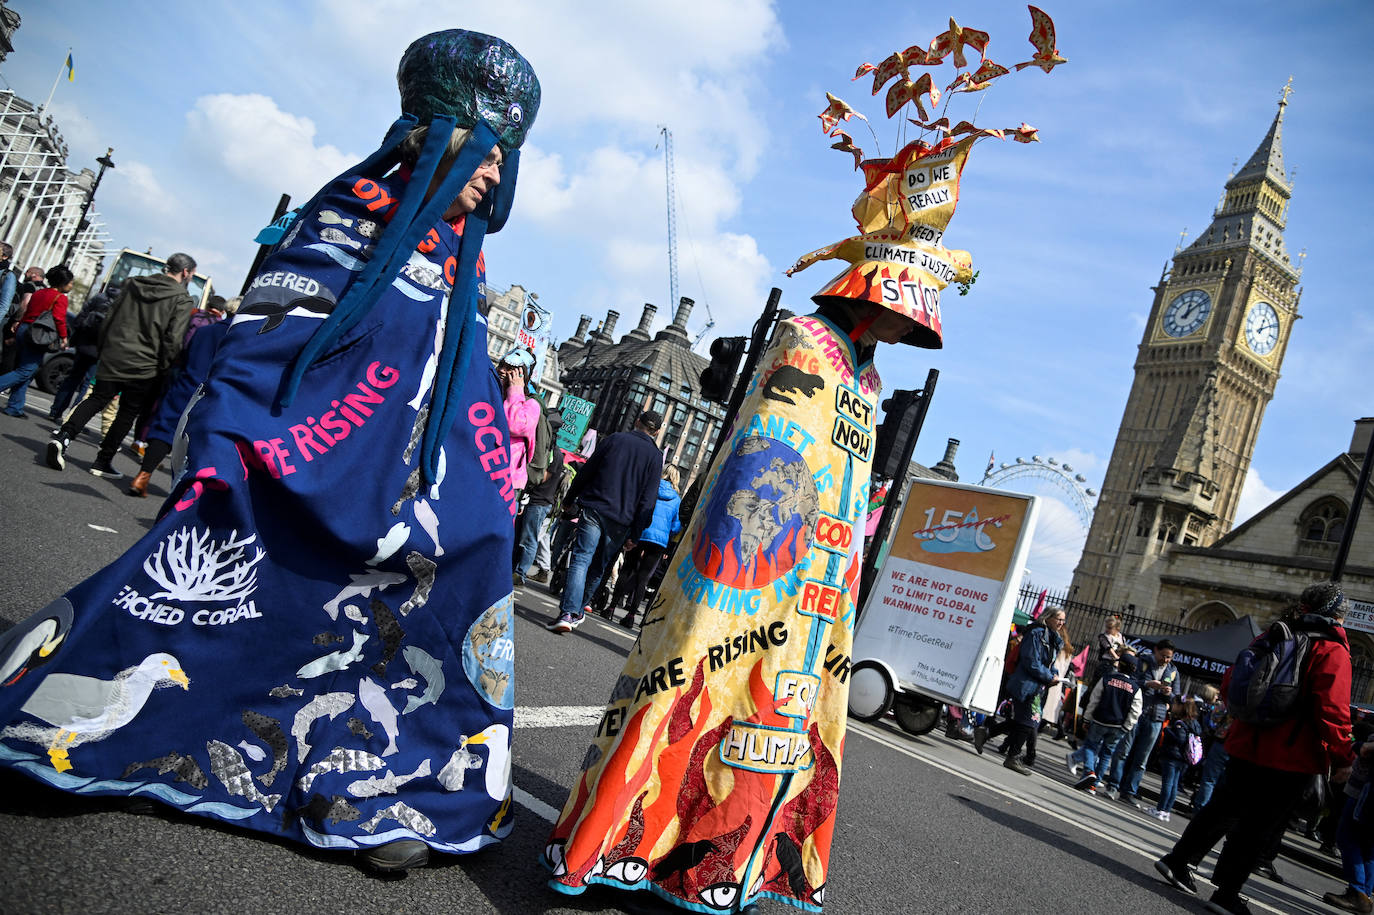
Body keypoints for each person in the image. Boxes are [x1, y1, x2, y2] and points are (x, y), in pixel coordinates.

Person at [0, 29, 540, 875]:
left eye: (509, 159)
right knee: (200, 589)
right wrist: (218, 442)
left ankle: (383, 787)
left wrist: (484, 496)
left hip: (404, 494)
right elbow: (261, 340)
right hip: (307, 465)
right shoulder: (348, 215)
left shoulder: (464, 269)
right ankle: (81, 729)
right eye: (490, 150)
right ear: (439, 134)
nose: (499, 173)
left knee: (470, 569)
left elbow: (460, 397)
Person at [1155, 582, 1355, 915]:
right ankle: (1226, 893)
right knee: (1257, 826)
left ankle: (1178, 860)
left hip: (1246, 742)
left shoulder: (1272, 636)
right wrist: (1342, 757)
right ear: (1337, 616)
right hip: (1290, 755)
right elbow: (1332, 710)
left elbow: (1232, 683)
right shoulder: (1331, 649)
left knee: (1222, 808)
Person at [44, 255, 197, 477]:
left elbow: (110, 317)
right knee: (127, 411)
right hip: (147, 362)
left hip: (115, 351)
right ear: (185, 272)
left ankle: (63, 436)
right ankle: (102, 461)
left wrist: (105, 346)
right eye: (191, 274)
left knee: (97, 398)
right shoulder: (182, 299)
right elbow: (173, 338)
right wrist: (163, 366)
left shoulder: (133, 284)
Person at [545, 408, 663, 633]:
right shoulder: (655, 457)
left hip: (596, 507)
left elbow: (587, 471)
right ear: (656, 432)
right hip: (622, 519)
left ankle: (567, 613)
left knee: (581, 559)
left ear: (637, 421)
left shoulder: (615, 439)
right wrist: (636, 533)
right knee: (599, 566)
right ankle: (577, 611)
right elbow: (648, 499)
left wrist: (570, 499)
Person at [124, 303, 233, 497]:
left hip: (185, 383)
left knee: (165, 430)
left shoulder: (205, 331)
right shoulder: (236, 339)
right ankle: (184, 493)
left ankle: (143, 474)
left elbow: (185, 353)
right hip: (212, 392)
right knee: (201, 442)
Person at [976, 608, 1071, 775]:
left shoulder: (1052, 637)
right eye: (1058, 618)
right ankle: (1012, 757)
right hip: (1027, 683)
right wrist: (1049, 676)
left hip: (1037, 684)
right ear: (1048, 617)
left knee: (1022, 721)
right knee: (1030, 721)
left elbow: (1048, 662)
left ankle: (987, 734)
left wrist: (1054, 674)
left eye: (1063, 620)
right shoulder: (1037, 634)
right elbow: (1031, 661)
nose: (1061, 623)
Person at [603, 464, 682, 629]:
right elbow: (676, 526)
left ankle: (611, 608)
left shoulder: (651, 489)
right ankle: (631, 616)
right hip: (659, 541)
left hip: (641, 533)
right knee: (643, 578)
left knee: (627, 570)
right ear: (676, 479)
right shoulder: (676, 499)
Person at [1103, 638, 1178, 803]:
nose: (1165, 660)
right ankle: (1113, 785)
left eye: (1169, 657)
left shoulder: (1173, 671)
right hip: (1137, 712)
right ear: (1156, 650)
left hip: (1156, 717)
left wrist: (1168, 694)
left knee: (1142, 759)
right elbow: (1129, 681)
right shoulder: (1142, 662)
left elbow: (1176, 698)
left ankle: (1129, 791)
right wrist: (1147, 684)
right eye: (1163, 655)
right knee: (1123, 751)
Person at [0, 265, 73, 417]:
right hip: (38, 335)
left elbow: (26, 311)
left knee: (26, 370)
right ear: (62, 283)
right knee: (25, 371)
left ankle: (15, 406)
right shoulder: (60, 298)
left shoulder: (39, 293)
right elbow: (59, 319)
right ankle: (14, 404)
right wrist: (64, 337)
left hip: (24, 329)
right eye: (70, 282)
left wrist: (17, 329)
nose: (71, 286)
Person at [1068, 651, 1142, 794]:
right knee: (1106, 754)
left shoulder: (1106, 679)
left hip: (1099, 720)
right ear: (1134, 669)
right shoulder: (1136, 689)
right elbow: (1135, 712)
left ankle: (1089, 772)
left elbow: (1094, 700)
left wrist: (1086, 718)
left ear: (1119, 665)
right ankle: (1093, 785)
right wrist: (1126, 727)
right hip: (1118, 726)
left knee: (1090, 746)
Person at [50, 283, 120, 423]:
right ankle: (73, 418)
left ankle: (56, 411)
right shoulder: (122, 304)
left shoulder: (99, 297)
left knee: (72, 378)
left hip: (84, 343)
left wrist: (79, 336)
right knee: (87, 384)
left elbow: (80, 317)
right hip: (101, 348)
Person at [1326, 723, 1374, 913]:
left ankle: (1357, 891)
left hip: (1365, 790)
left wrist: (1361, 745)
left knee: (1347, 836)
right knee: (1367, 846)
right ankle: (1363, 894)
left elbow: (1365, 749)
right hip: (1365, 787)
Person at [514, 409, 564, 584]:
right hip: (531, 500)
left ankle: (520, 574)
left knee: (529, 539)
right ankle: (515, 569)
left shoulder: (555, 454)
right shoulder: (546, 449)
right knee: (521, 536)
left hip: (539, 503)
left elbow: (542, 478)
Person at [496, 346, 543, 498]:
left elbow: (514, 425)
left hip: (508, 481)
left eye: (510, 368)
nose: (503, 370)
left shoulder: (531, 406)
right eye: (501, 365)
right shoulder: (491, 395)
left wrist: (516, 391)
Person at [1149, 698, 1202, 822]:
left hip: (1173, 756)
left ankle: (1160, 809)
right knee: (1174, 785)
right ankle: (1166, 811)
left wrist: (1167, 730)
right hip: (1185, 758)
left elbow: (1180, 739)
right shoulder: (1195, 724)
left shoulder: (1180, 723)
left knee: (1168, 783)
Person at [0, 265, 44, 374]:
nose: (25, 274)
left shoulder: (30, 285)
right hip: (36, 327)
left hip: (23, 323)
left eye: (28, 272)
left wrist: (17, 320)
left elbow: (25, 303)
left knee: (9, 351)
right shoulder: (45, 289)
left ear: (34, 275)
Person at [1087, 615, 1125, 692]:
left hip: (1115, 665)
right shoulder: (1104, 636)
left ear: (1117, 628)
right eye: (1106, 627)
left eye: (1110, 628)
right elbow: (1108, 648)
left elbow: (1123, 648)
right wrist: (1116, 658)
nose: (1107, 630)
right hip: (1105, 663)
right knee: (1097, 684)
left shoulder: (1121, 637)